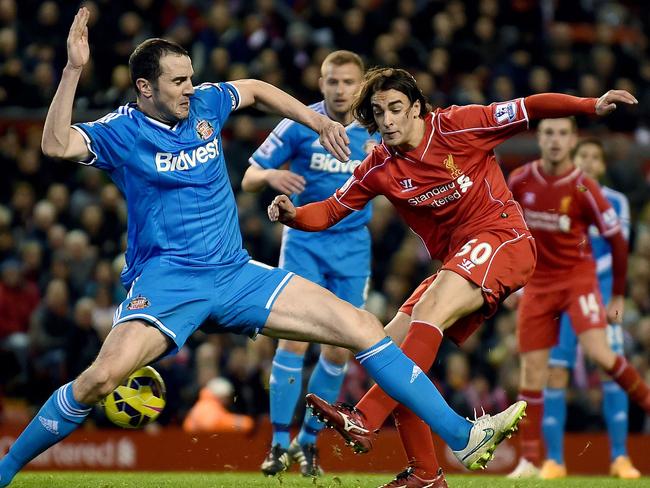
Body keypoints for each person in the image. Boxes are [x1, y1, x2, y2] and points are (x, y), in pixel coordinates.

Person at [0, 9, 523, 487]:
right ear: (144, 87)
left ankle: (461, 436)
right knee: (98, 380)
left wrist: (315, 120)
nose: (189, 88)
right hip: (167, 282)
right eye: (177, 81)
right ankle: (5, 471)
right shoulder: (121, 131)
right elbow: (54, 144)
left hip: (235, 274)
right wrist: (72, 71)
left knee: (362, 327)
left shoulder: (206, 102)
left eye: (189, 77)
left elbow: (252, 88)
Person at [267, 67, 637, 488]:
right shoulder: (379, 166)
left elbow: (530, 106)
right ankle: (426, 473)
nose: (387, 120)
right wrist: (294, 215)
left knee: (424, 315)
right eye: (378, 111)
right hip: (456, 263)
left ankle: (365, 418)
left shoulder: (460, 126)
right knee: (388, 353)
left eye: (396, 109)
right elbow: (331, 209)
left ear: (417, 108)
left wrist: (590, 104)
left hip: (504, 239)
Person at [242, 50, 379, 477]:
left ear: (361, 86)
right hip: (303, 245)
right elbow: (248, 176)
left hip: (353, 248)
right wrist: (271, 177)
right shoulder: (301, 123)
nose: (340, 90)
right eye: (332, 82)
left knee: (339, 349)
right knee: (294, 341)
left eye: (348, 82)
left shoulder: (378, 130)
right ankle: (279, 443)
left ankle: (308, 443)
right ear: (321, 84)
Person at [507, 118, 650, 478]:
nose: (555, 140)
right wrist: (513, 282)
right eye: (549, 133)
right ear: (538, 138)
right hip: (539, 286)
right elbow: (510, 234)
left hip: (583, 285)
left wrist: (617, 294)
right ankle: (538, 460)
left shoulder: (593, 192)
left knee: (604, 357)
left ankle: (622, 452)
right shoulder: (520, 180)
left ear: (572, 141)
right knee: (539, 371)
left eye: (562, 134)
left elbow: (619, 244)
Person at [539, 138, 639, 480]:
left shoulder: (616, 201)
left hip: (601, 294)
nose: (590, 162)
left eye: (596, 157)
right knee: (555, 372)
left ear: (602, 165)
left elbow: (618, 247)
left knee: (612, 369)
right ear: (574, 159)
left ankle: (620, 458)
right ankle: (554, 460)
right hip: (563, 298)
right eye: (584, 155)